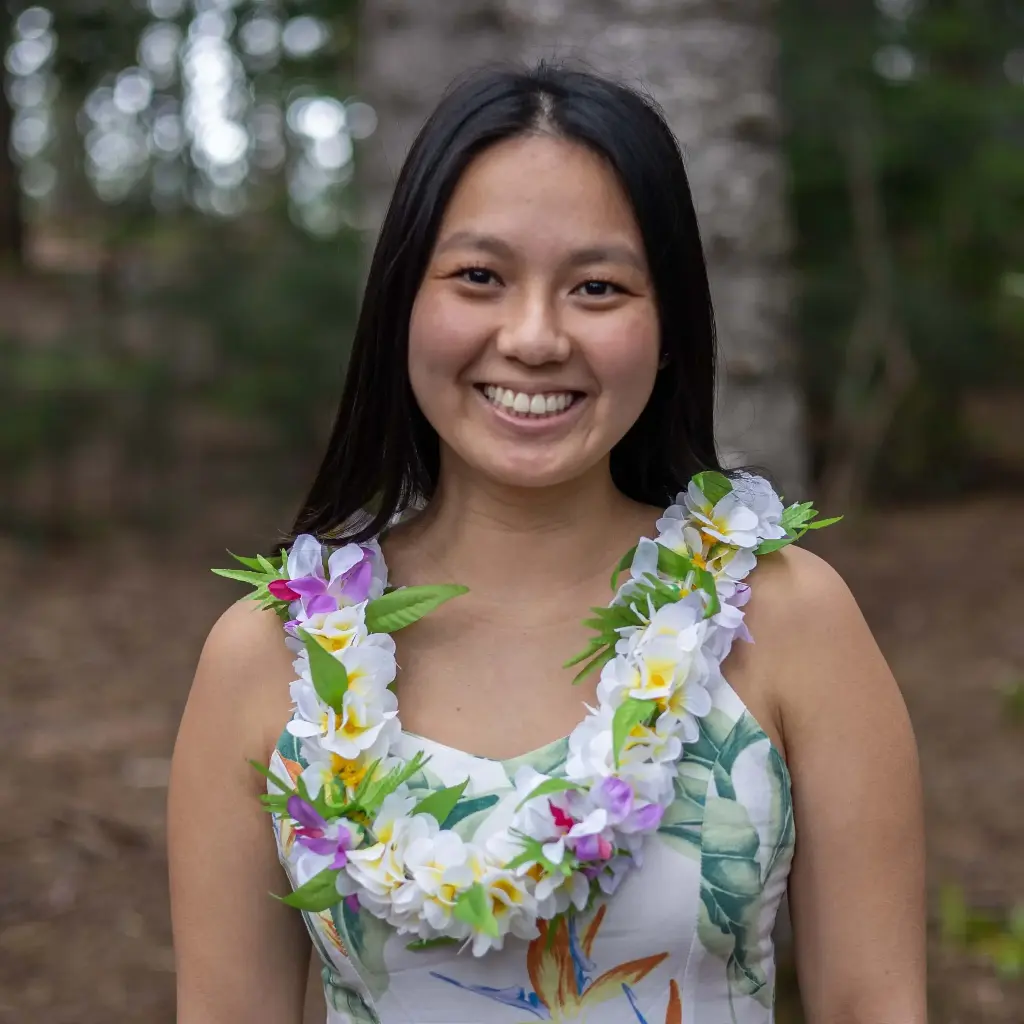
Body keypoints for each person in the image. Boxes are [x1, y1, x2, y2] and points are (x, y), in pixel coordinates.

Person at [168, 63, 926, 1024]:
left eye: (598, 287)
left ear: (668, 327)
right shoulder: (269, 659)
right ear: (404, 300)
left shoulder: (787, 620)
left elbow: (876, 1005)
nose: (533, 337)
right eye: (479, 277)